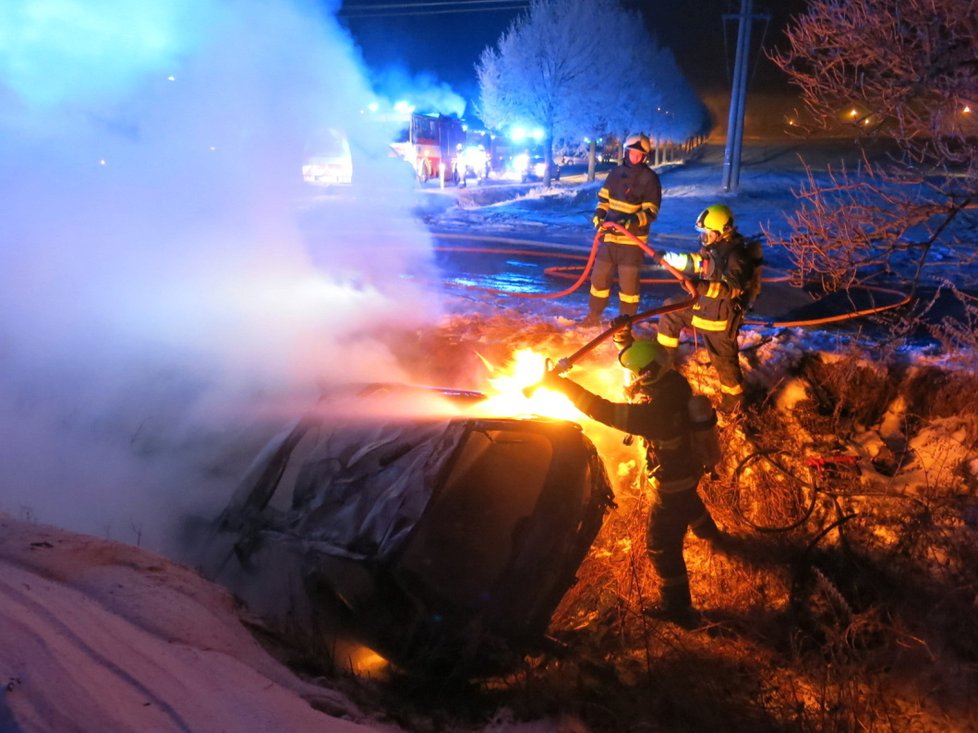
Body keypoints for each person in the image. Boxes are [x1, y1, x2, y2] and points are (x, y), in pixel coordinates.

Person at [541, 338, 721, 628]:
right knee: (689, 501)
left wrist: (563, 386)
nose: (635, 379)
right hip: (688, 473)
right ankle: (711, 535)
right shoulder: (674, 383)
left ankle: (678, 608)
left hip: (670, 484)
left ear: (647, 373)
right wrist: (625, 340)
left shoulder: (655, 415)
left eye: (638, 373)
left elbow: (602, 410)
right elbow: (644, 370)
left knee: (661, 546)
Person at [656, 204, 756, 415]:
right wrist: (669, 258)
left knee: (724, 364)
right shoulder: (715, 250)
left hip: (720, 320)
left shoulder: (737, 257)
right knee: (670, 311)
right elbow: (696, 262)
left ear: (723, 232)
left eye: (708, 234)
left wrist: (700, 287)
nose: (704, 239)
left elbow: (732, 289)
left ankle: (735, 405)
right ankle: (664, 364)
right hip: (703, 309)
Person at [583, 133, 662, 326]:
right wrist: (599, 215)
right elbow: (604, 200)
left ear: (645, 157)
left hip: (632, 242)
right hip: (609, 238)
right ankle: (594, 316)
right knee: (599, 279)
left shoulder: (650, 179)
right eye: (632, 153)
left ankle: (625, 323)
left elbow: (651, 212)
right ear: (626, 153)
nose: (635, 157)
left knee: (629, 286)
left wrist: (631, 221)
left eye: (639, 155)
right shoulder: (615, 174)